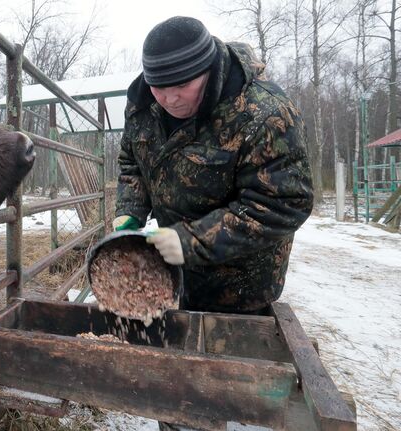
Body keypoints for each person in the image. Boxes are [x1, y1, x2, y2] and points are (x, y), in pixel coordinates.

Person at [113, 15, 314, 431]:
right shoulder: (143, 105)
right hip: (171, 274)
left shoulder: (262, 113)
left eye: (181, 87)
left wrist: (188, 242)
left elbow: (283, 203)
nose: (168, 98)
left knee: (231, 386)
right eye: (159, 87)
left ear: (207, 70)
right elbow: (132, 161)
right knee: (176, 383)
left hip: (238, 282)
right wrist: (129, 210)